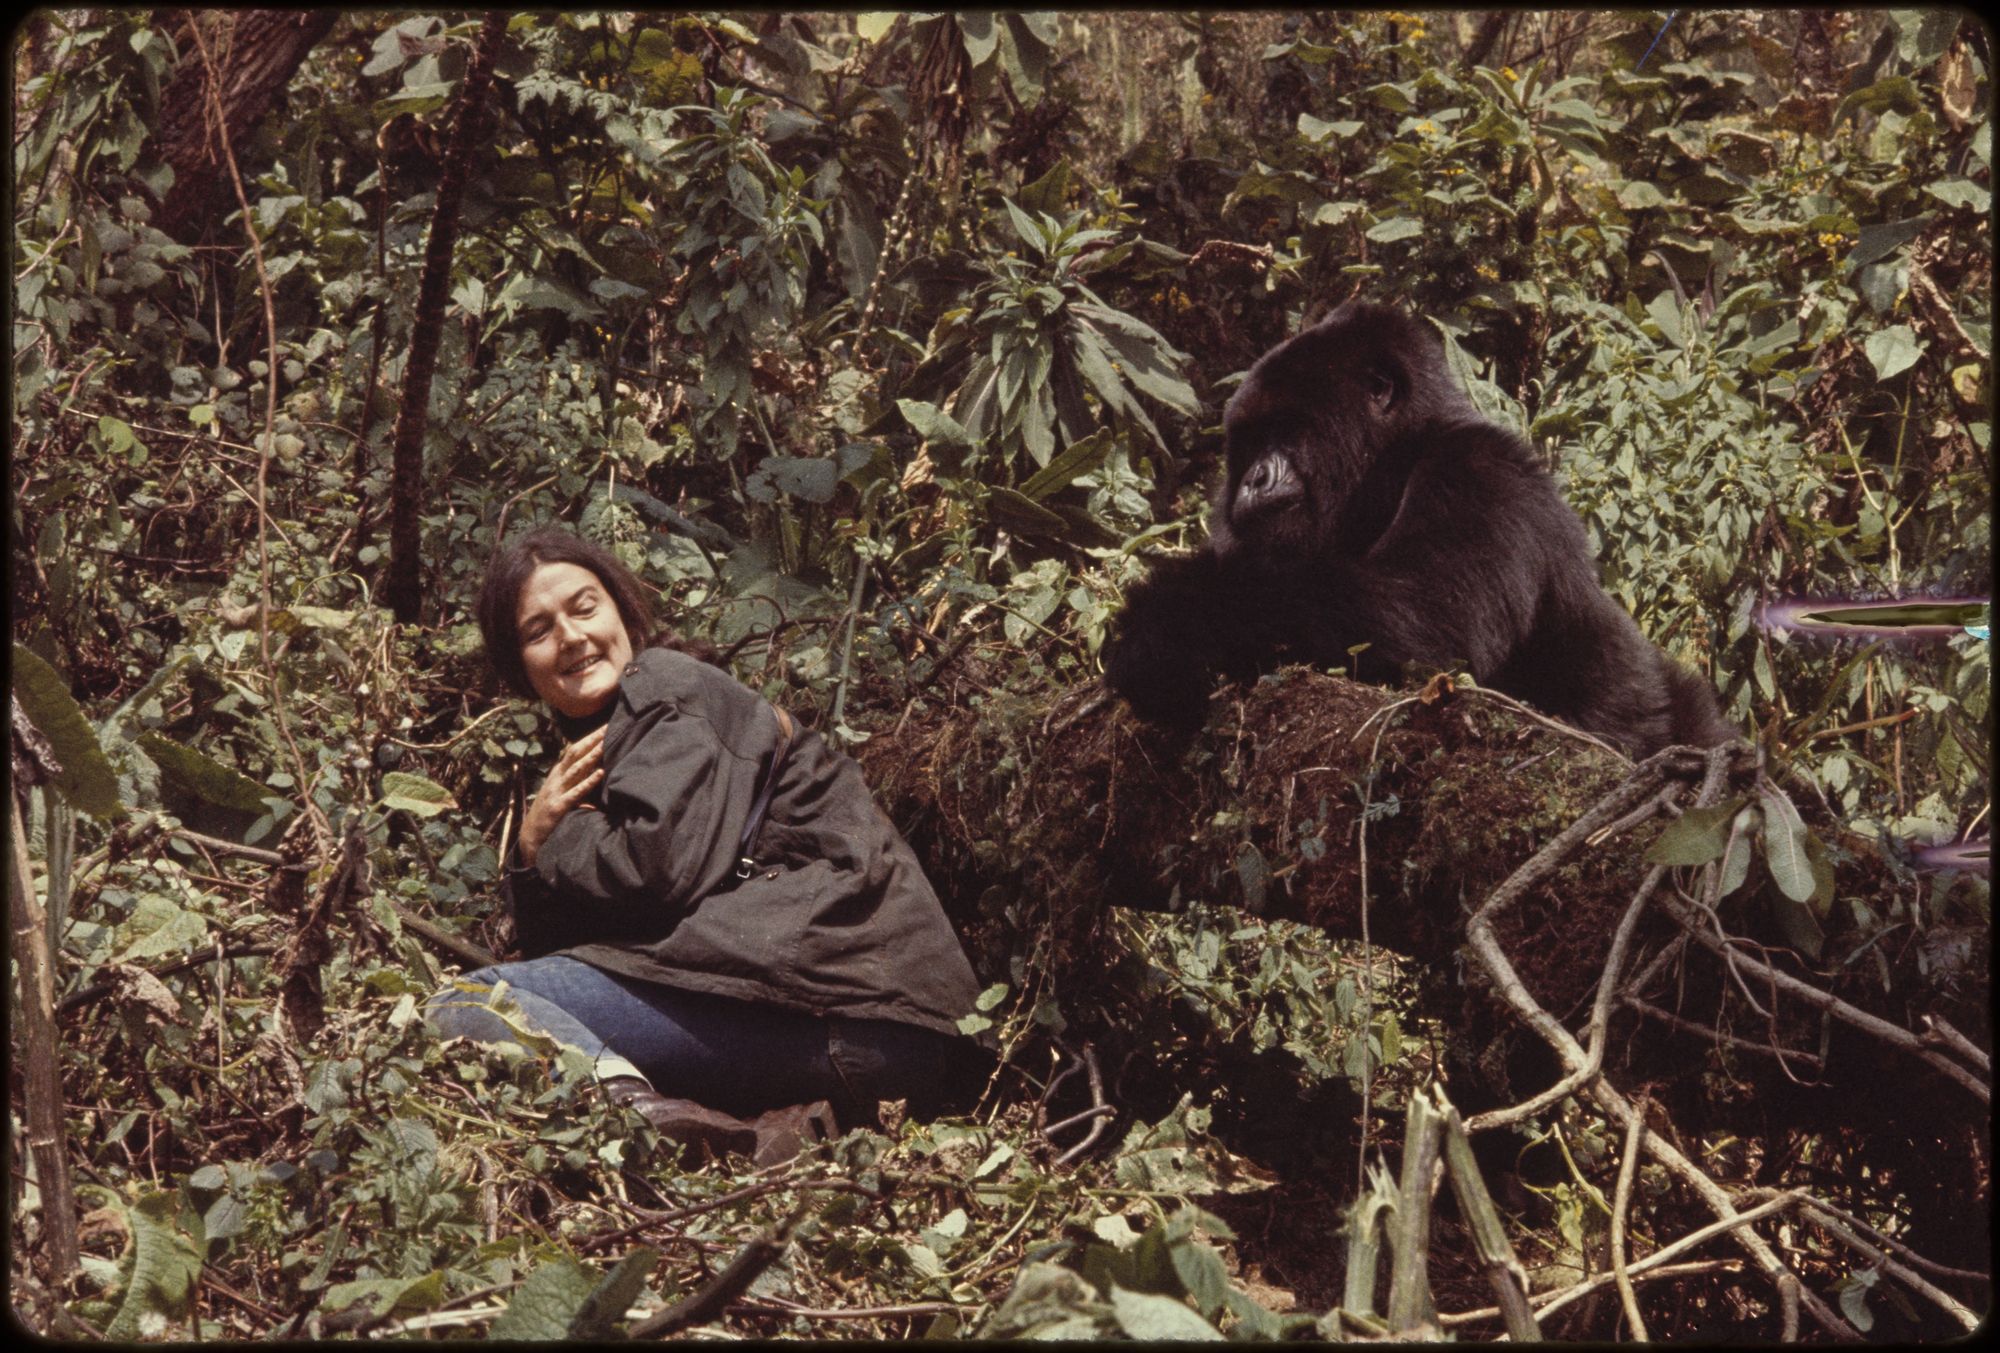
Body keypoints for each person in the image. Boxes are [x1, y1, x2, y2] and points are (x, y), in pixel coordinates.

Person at [429, 526, 983, 1163]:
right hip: (868, 1030)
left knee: (471, 1001)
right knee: (526, 999)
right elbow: (576, 958)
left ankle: (634, 1120)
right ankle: (755, 1131)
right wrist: (532, 849)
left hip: (857, 1015)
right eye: (538, 631)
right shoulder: (617, 739)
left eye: (585, 608)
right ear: (519, 668)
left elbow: (656, 870)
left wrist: (558, 835)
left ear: (623, 612)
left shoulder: (668, 689)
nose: (572, 637)